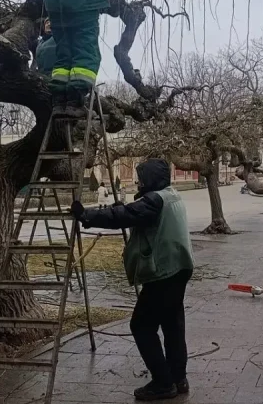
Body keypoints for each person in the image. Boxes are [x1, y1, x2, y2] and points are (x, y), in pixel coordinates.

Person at [70, 159, 194, 401]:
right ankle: (178, 378)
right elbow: (136, 213)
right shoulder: (171, 195)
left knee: (141, 325)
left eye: (142, 178)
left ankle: (162, 383)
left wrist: (87, 215)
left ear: (152, 179)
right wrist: (125, 209)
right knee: (172, 323)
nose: (139, 182)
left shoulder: (155, 200)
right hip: (179, 267)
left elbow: (123, 216)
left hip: (164, 273)